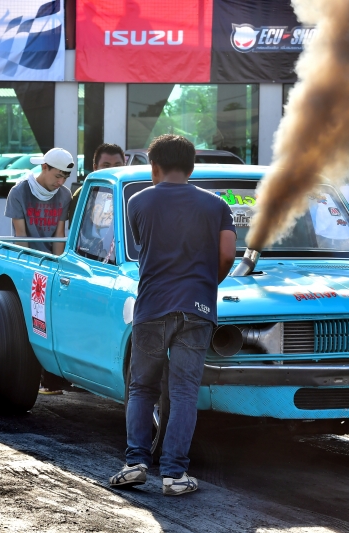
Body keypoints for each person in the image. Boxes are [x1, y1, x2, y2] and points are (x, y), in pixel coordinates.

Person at [110, 134, 236, 496]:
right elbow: (227, 254)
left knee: (142, 387)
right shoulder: (216, 206)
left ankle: (135, 463)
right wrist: (206, 284)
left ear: (155, 166)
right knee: (182, 393)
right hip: (197, 310)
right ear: (192, 166)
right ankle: (175, 476)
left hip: (151, 309)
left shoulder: (138, 202)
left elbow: (141, 245)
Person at [5, 147, 74, 395]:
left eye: (65, 178)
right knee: (30, 322)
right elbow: (21, 236)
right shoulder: (19, 192)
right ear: (44, 168)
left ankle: (53, 377)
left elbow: (59, 236)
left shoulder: (64, 195)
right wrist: (30, 269)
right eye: (57, 176)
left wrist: (58, 267)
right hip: (28, 260)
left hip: (50, 262)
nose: (61, 182)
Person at [68, 143, 125, 222]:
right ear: (95, 167)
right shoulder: (83, 194)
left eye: (117, 165)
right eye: (106, 166)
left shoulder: (130, 192)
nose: (112, 170)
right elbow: (75, 230)